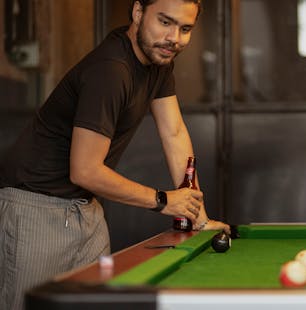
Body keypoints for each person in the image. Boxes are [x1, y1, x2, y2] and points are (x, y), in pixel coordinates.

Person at [0, 0, 229, 309]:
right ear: (138, 13)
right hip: (36, 208)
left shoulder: (159, 61)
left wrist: (197, 217)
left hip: (86, 209)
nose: (174, 37)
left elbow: (174, 133)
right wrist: (163, 200)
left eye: (185, 28)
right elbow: (85, 171)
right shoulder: (111, 70)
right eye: (165, 22)